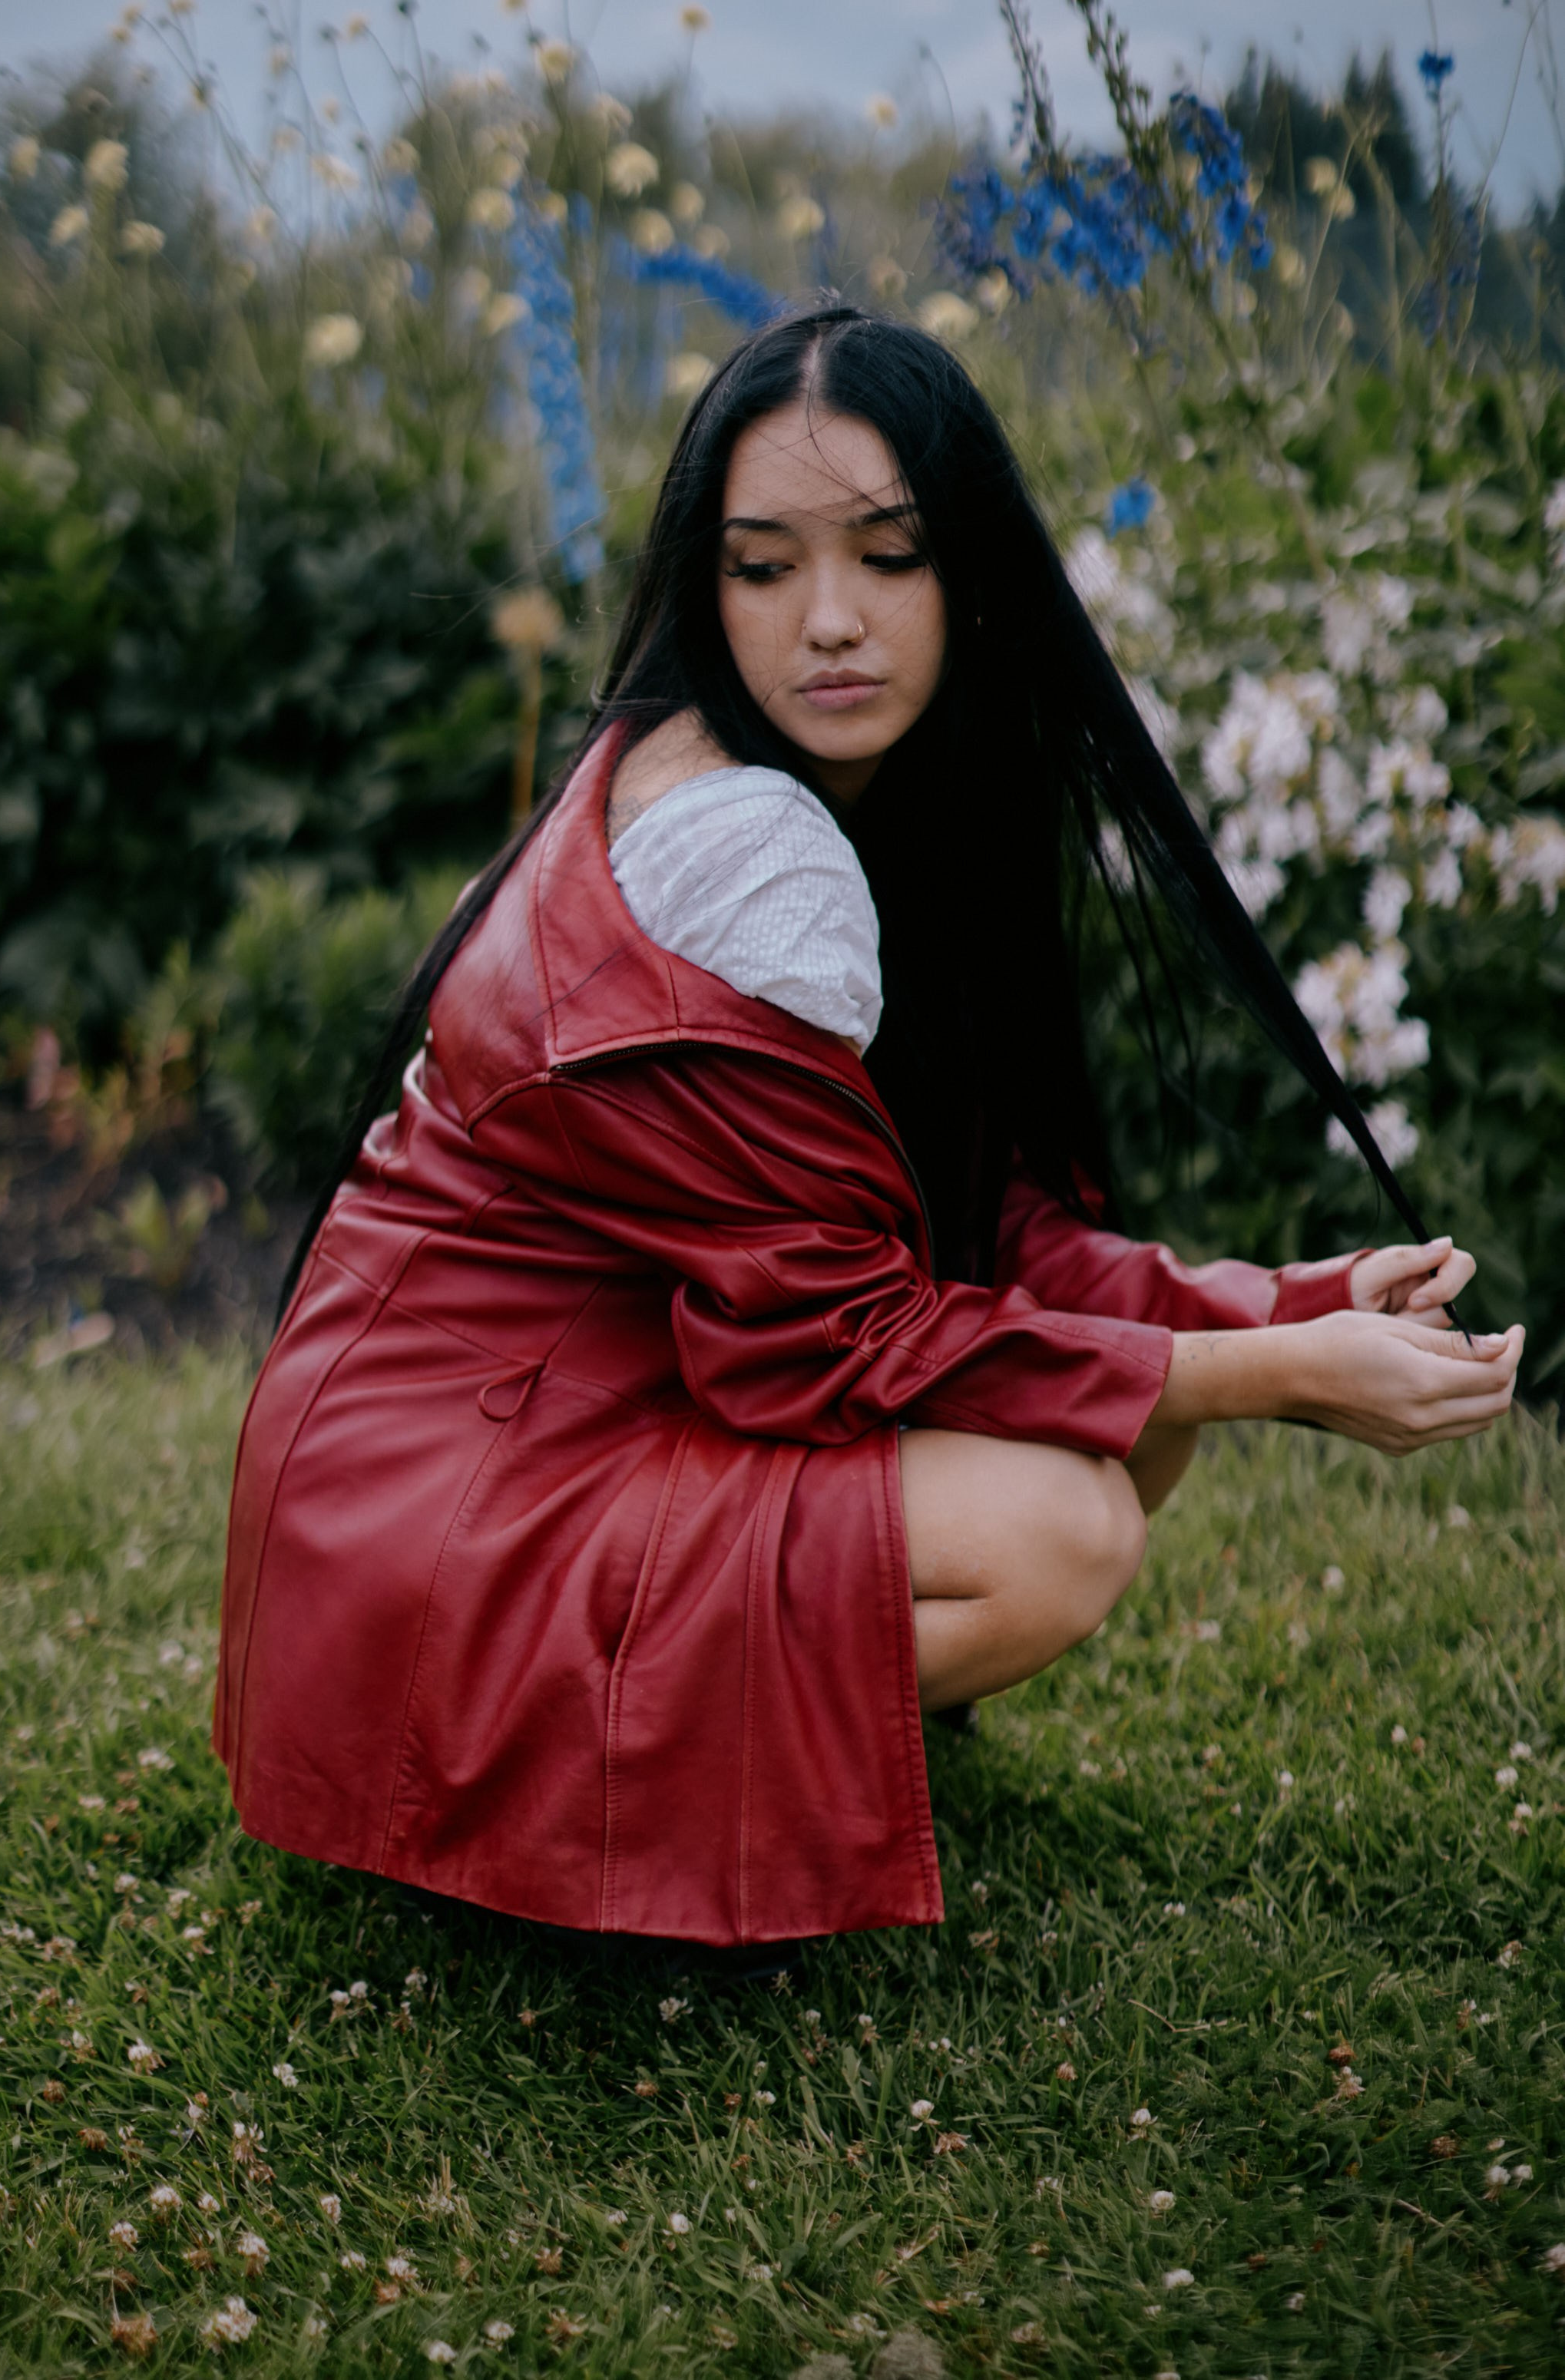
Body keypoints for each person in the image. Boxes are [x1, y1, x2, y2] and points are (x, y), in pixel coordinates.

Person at [213, 306, 1521, 1949]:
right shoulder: (756, 846)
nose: (826, 623)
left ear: (961, 569)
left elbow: (969, 1221)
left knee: (1112, 1417)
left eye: (883, 556)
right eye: (762, 568)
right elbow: (820, 1346)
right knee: (1058, 1525)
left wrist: (1275, 1301)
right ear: (706, 586)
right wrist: (1269, 1380)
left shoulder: (852, 796)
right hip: (441, 1516)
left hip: (472, 1461)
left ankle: (718, 1747)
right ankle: (619, 1817)